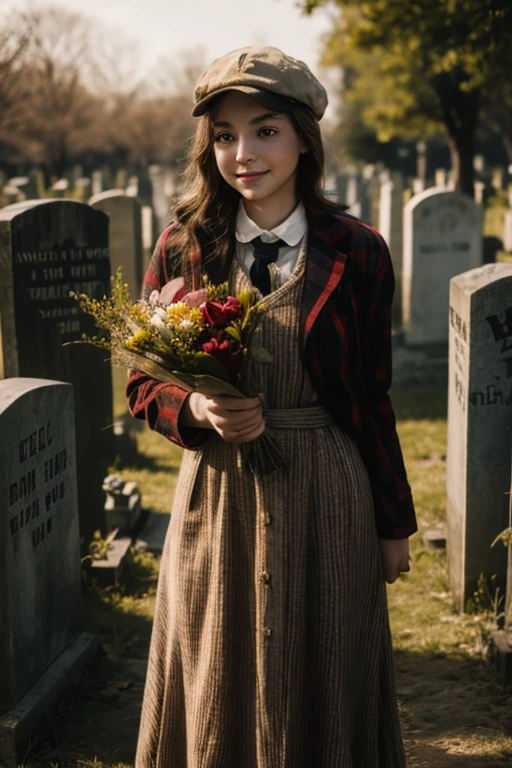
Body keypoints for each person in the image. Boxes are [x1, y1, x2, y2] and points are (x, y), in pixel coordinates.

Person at [127, 45, 416, 768]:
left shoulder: (360, 253)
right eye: (223, 136)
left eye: (264, 131)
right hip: (217, 499)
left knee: (326, 666)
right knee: (215, 667)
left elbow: (374, 397)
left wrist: (393, 524)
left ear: (303, 138)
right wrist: (195, 408)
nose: (242, 153)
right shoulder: (182, 247)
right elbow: (139, 384)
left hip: (329, 494)